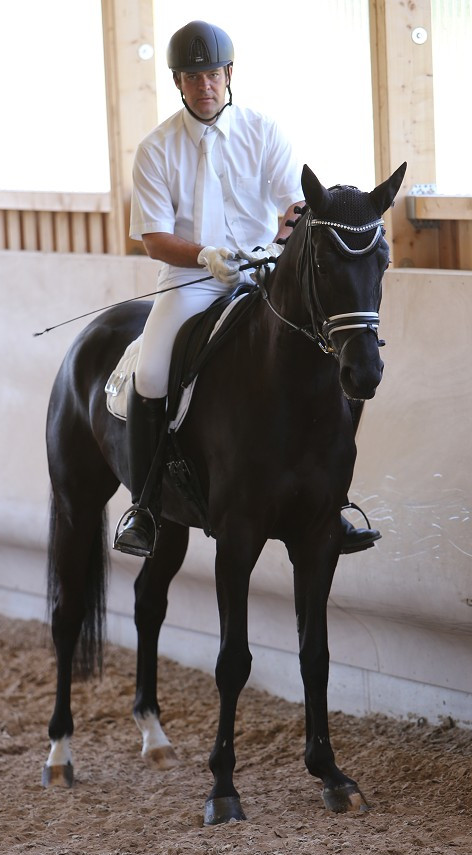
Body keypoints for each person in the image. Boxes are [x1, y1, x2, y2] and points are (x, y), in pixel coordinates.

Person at [113, 20, 380, 559]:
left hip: (263, 278)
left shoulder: (262, 130)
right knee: (152, 370)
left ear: (228, 74)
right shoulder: (156, 149)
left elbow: (295, 203)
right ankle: (143, 507)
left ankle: (335, 500)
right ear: (178, 82)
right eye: (193, 76)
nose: (205, 85)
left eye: (212, 73)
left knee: (334, 355)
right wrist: (203, 255)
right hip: (190, 283)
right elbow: (153, 240)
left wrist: (283, 235)